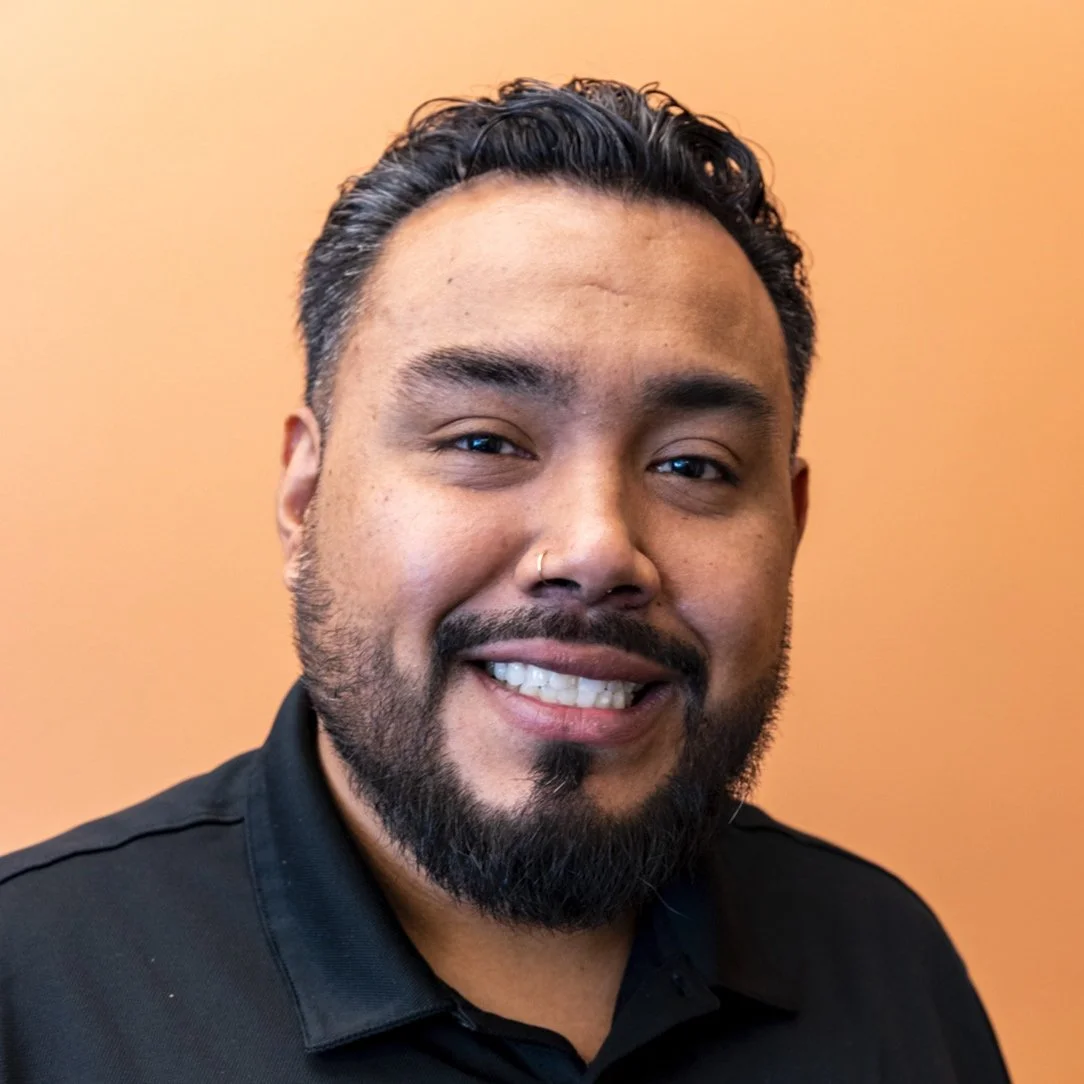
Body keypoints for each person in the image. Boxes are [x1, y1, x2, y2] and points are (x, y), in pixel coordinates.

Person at [0, 78, 1011, 1082]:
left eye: (694, 465)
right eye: (483, 440)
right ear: (305, 494)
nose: (597, 549)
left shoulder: (892, 976)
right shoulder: (32, 997)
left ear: (789, 526)